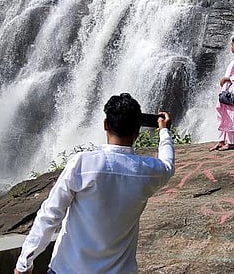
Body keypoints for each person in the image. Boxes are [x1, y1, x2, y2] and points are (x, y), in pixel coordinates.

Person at [14, 93, 175, 274]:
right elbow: (168, 164)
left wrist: (25, 262)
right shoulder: (148, 171)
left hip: (68, 269)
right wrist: (164, 131)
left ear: (105, 124)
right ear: (137, 131)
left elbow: (50, 214)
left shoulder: (83, 164)